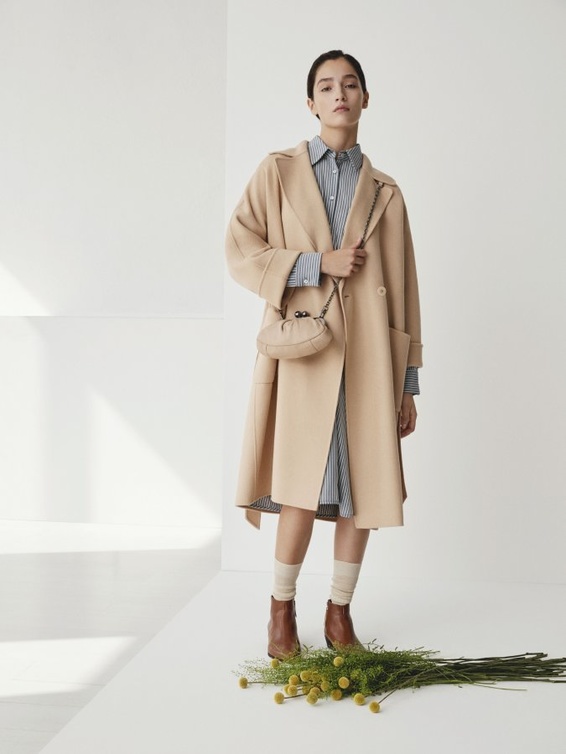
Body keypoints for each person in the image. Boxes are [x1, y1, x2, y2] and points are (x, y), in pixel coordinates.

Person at [225, 50, 423, 659]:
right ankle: (280, 611)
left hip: (369, 359)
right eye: (327, 86)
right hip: (305, 353)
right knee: (299, 487)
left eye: (351, 84)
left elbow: (405, 289)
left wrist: (408, 384)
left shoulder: (386, 192)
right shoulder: (278, 171)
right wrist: (316, 263)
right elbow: (239, 247)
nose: (340, 94)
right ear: (311, 103)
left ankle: (339, 613)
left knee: (362, 490)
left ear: (366, 98)